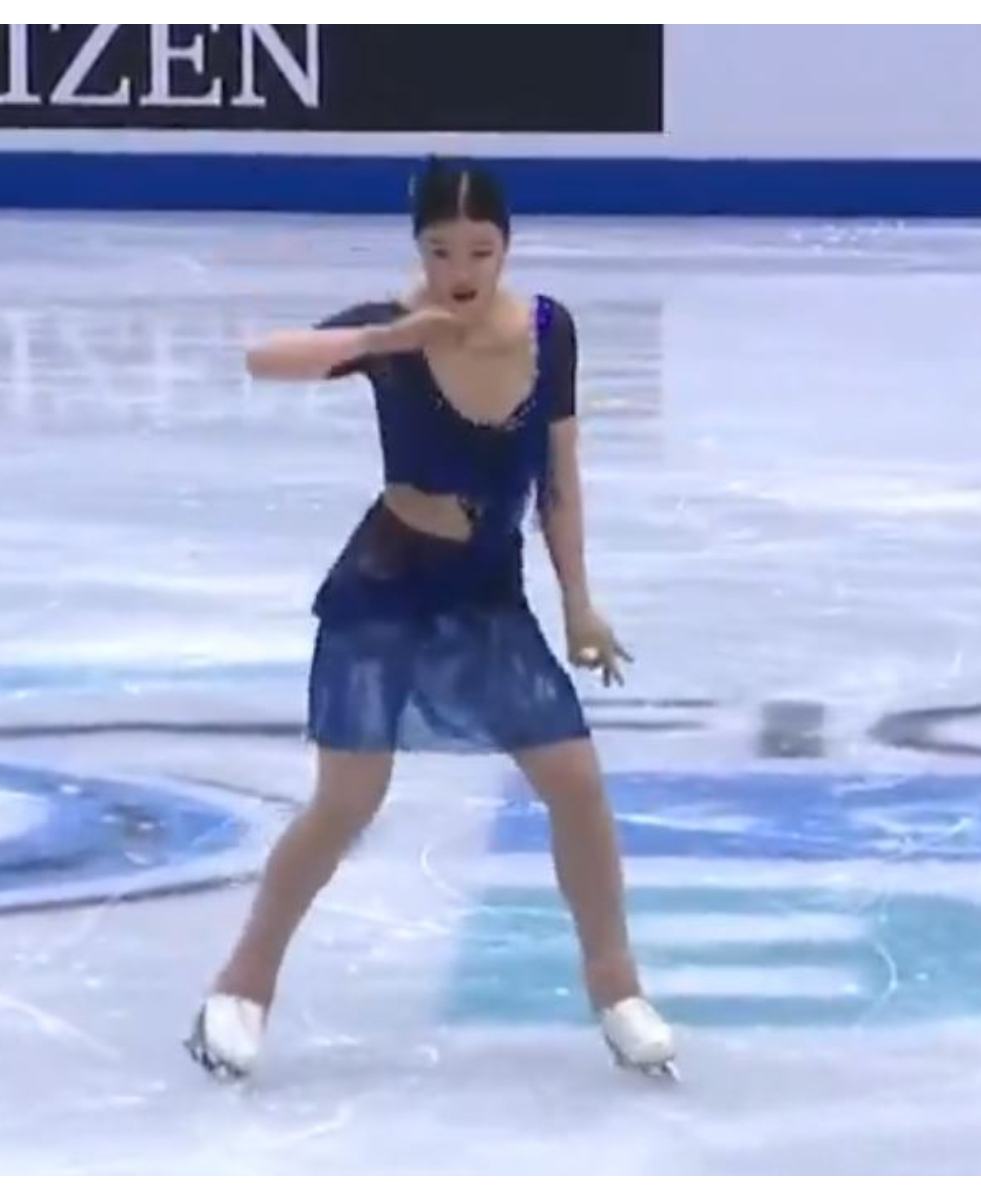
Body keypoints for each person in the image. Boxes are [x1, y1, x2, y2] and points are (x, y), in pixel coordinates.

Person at [186, 158, 676, 1081]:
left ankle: (618, 990)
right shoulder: (393, 330)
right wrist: (389, 339)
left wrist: (578, 602)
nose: (460, 270)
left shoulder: (550, 331)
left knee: (575, 782)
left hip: (488, 591)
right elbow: (263, 359)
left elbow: (558, 480)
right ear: (418, 249)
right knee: (347, 802)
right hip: (386, 587)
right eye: (441, 250)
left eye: (479, 251)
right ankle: (242, 986)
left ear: (507, 247)